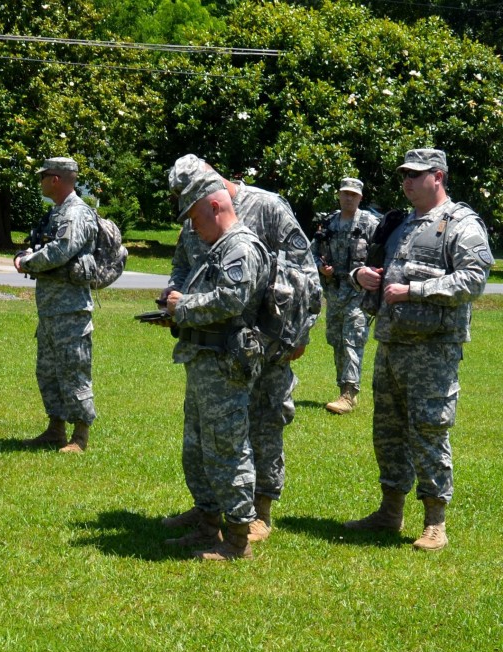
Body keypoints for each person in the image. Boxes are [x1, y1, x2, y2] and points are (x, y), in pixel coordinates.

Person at [159, 155, 320, 545]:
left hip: (266, 340)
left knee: (263, 424)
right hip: (215, 342)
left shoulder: (266, 208)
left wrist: (298, 334)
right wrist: (171, 296)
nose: (187, 213)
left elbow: (305, 276)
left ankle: (256, 512)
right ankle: (209, 510)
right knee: (211, 434)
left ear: (211, 184)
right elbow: (183, 265)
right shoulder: (198, 217)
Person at [345, 148, 492, 552]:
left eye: (417, 174)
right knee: (388, 433)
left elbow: (473, 281)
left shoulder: (460, 224)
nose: (408, 181)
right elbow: (378, 271)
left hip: (433, 352)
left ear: (438, 176)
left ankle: (435, 522)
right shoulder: (398, 224)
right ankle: (390, 511)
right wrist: (363, 276)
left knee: (429, 432)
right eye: (405, 175)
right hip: (391, 346)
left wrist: (416, 291)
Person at [158, 163, 270, 560]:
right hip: (203, 359)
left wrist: (182, 307)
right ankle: (207, 527)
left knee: (227, 448)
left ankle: (237, 541)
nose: (192, 225)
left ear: (215, 206)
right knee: (199, 447)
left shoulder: (240, 247)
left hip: (224, 363)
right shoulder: (217, 247)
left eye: (194, 215)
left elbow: (231, 300)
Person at [14, 157, 98, 453]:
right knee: (48, 371)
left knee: (74, 370)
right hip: (51, 310)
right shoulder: (57, 212)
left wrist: (26, 262)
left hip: (71, 310)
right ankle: (55, 429)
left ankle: (80, 436)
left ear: (56, 179)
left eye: (43, 176)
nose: (40, 182)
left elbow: (61, 250)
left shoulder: (76, 214)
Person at [312, 178, 380, 414]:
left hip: (358, 292)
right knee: (337, 340)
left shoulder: (370, 223)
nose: (349, 198)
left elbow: (381, 256)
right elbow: (312, 254)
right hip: (334, 291)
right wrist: (321, 268)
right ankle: (343, 388)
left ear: (360, 197)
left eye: (354, 194)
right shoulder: (328, 223)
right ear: (339, 195)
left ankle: (349, 394)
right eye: (345, 194)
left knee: (352, 337)